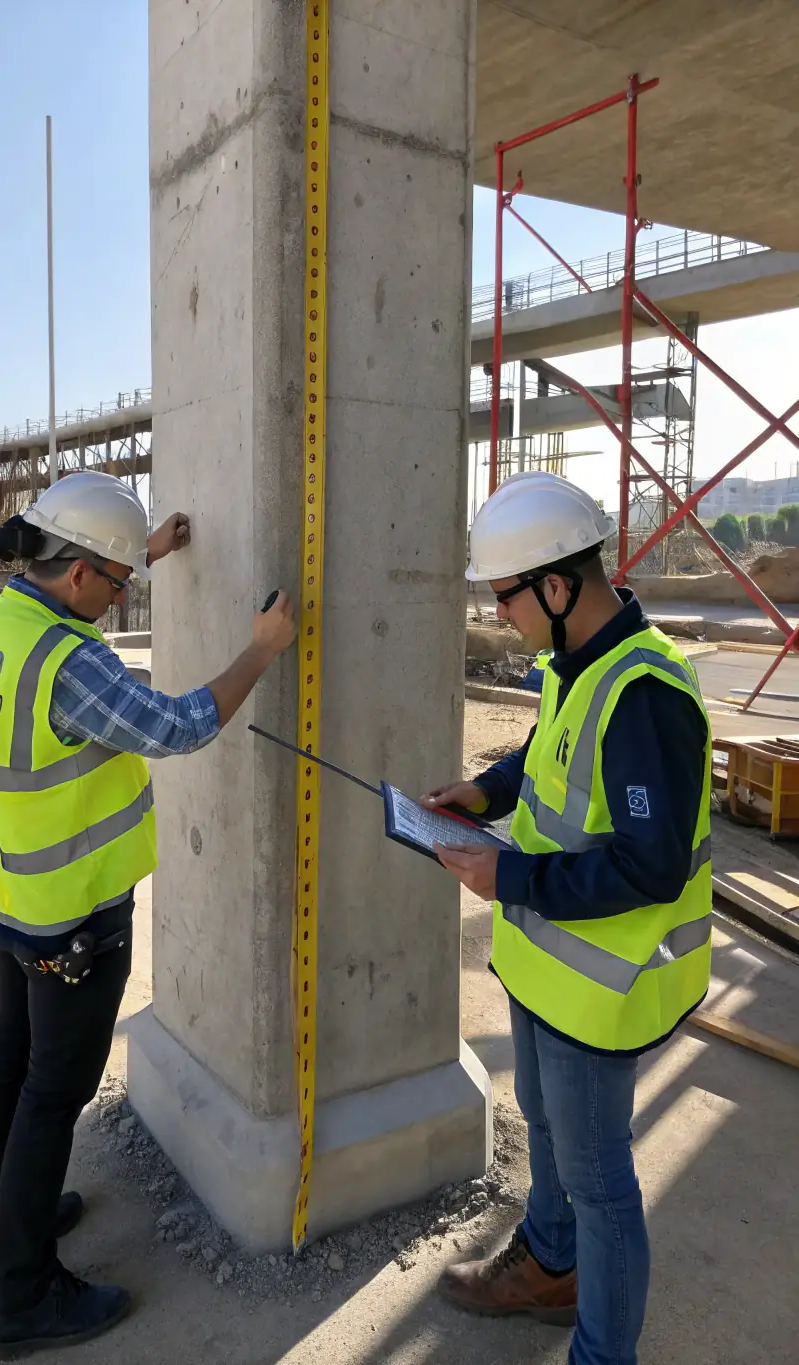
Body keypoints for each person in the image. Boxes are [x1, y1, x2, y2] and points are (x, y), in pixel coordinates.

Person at [0, 470, 296, 1360]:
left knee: (12, 1053)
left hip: (13, 896)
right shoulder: (75, 663)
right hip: (73, 917)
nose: (121, 600)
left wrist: (136, 552)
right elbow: (181, 723)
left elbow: (68, 595)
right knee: (52, 1096)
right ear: (79, 577)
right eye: (116, 585)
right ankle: (26, 1298)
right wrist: (262, 649)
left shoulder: (5, 621)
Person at [424, 471, 711, 1365]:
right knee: (544, 1125)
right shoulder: (576, 664)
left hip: (601, 986)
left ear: (555, 586)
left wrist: (510, 874)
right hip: (544, 961)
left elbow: (651, 866)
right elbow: (546, 750)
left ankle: (601, 1349)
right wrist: (488, 788)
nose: (500, 614)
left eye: (504, 596)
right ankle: (548, 1264)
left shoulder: (646, 695)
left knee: (600, 1183)